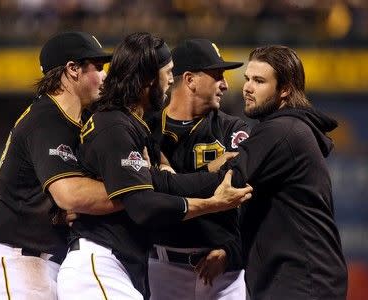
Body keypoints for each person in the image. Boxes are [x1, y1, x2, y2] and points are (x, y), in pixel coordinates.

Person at [57, 32, 253, 300]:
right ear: (149, 77)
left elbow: (160, 184)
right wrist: (214, 200)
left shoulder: (131, 125)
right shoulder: (116, 125)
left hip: (119, 263)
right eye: (168, 71)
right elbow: (144, 204)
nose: (170, 79)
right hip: (103, 261)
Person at [0, 32, 122, 299]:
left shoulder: (74, 119)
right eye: (97, 67)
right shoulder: (47, 119)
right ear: (72, 70)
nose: (104, 75)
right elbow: (70, 195)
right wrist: (134, 192)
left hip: (40, 262)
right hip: (14, 261)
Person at [223, 45, 348, 299]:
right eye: (247, 79)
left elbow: (225, 181)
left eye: (259, 81)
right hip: (299, 279)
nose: (247, 87)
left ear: (285, 89)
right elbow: (259, 214)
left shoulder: (282, 130)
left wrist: (163, 178)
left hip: (301, 283)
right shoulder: (286, 128)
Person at [147, 39, 250, 299]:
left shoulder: (234, 128)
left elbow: (245, 186)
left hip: (223, 273)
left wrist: (232, 250)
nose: (225, 84)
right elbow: (144, 193)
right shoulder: (147, 128)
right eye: (217, 75)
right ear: (190, 79)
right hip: (162, 268)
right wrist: (216, 173)